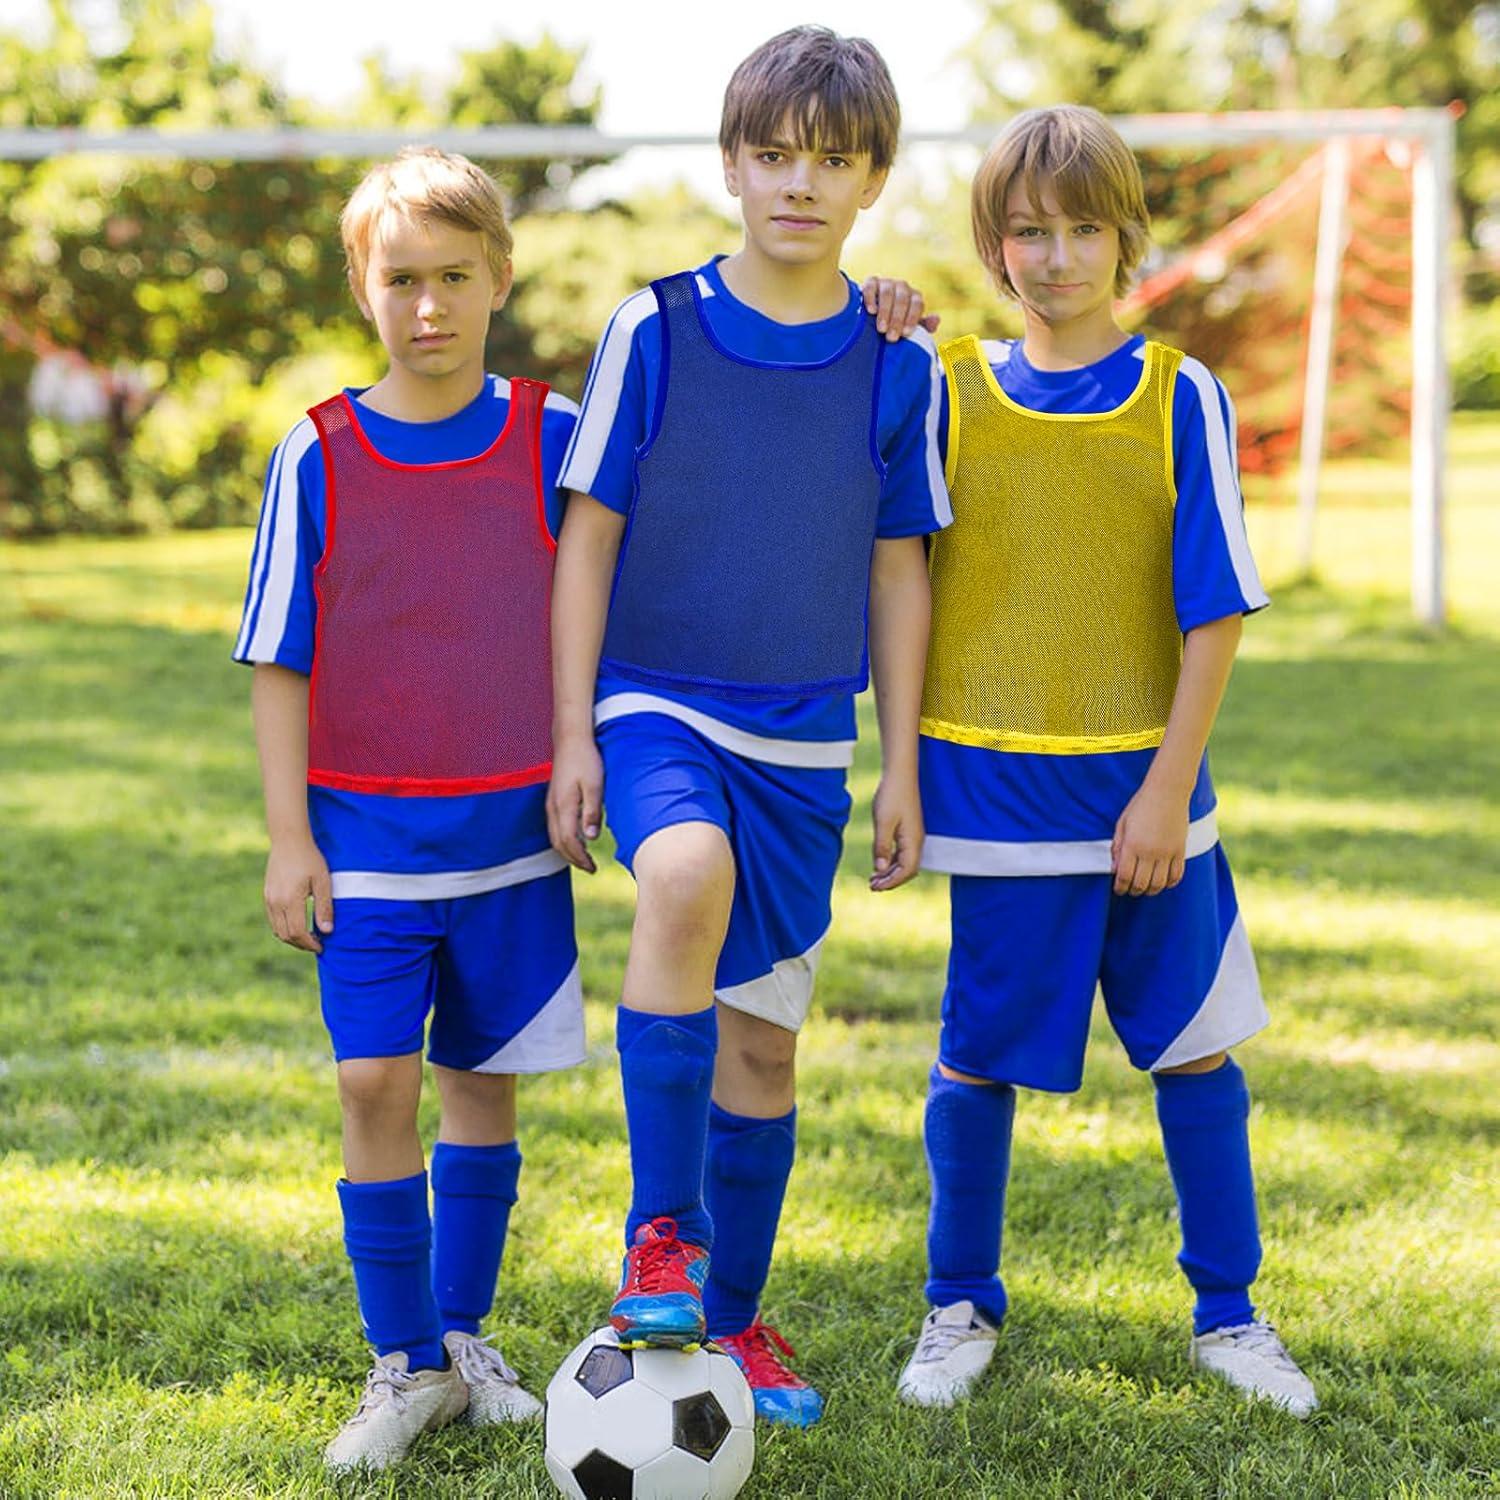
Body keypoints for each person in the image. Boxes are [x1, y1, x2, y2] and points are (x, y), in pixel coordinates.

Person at [547, 25, 950, 1427]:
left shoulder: (900, 364)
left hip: (805, 743)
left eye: (831, 162)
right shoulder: (653, 329)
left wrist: (902, 766)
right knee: (681, 874)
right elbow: (588, 536)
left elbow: (900, 572)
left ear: (874, 181)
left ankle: (732, 1319)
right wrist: (575, 734)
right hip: (656, 700)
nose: (798, 183)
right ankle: (659, 1241)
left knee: (765, 1047)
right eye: (772, 154)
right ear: (729, 163)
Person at [896, 105, 1317, 1419]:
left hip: (1147, 797)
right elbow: (892, 562)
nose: (1058, 256)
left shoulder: (1180, 396)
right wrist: (873, 308)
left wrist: (1164, 791)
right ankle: (959, 1301)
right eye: (1031, 231)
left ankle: (1230, 1314)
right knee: (979, 1055)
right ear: (994, 245)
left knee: (1195, 1053)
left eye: (1085, 229)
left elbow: (1215, 612)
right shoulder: (943, 387)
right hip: (995, 792)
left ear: (1126, 239)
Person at [234, 147, 585, 1470]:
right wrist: (289, 838)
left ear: (501, 276)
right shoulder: (317, 453)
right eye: (401, 281)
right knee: (374, 1077)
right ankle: (404, 1358)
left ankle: (462, 1338)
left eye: (454, 276)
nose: (429, 305)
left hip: (512, 844)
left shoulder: (555, 438)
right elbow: (281, 659)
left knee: (480, 1086)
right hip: (368, 839)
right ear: (361, 287)